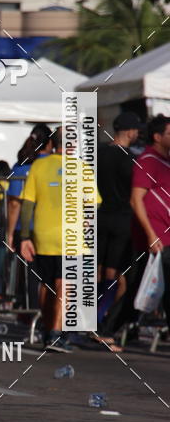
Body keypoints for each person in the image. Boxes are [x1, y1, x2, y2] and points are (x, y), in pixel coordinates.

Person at [19, 127, 100, 353]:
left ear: (52, 144)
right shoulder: (82, 168)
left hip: (43, 234)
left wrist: (24, 237)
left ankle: (47, 331)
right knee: (65, 284)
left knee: (46, 284)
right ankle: (55, 335)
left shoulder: (38, 165)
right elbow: (94, 203)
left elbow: (27, 205)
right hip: (71, 235)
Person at [95, 112, 140, 347]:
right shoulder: (131, 159)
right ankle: (102, 323)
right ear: (131, 132)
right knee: (116, 275)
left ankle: (93, 320)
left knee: (99, 271)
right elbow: (136, 195)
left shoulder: (99, 153)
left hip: (101, 215)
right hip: (123, 219)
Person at [5, 125, 53, 310]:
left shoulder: (20, 167)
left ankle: (33, 313)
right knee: (51, 274)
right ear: (49, 143)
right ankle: (51, 317)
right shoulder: (58, 164)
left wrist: (10, 233)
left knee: (31, 274)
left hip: (25, 229)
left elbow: (15, 204)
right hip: (51, 227)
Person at [130, 115, 170, 327]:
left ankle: (111, 327)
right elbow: (136, 200)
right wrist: (151, 234)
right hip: (159, 235)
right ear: (157, 137)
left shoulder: (165, 162)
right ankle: (107, 327)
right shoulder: (147, 161)